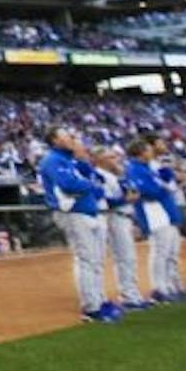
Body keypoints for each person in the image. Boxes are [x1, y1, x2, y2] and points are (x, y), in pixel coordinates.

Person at [39, 126, 116, 322]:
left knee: (96, 260)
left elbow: (81, 184)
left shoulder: (69, 160)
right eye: (66, 135)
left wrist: (87, 182)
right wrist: (91, 184)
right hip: (72, 213)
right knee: (86, 260)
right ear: (55, 140)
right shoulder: (53, 160)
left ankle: (100, 299)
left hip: (86, 212)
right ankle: (91, 307)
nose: (72, 138)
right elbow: (69, 185)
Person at [126, 137, 186, 304]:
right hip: (153, 214)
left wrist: (164, 184)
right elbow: (149, 191)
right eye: (147, 149)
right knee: (160, 253)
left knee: (169, 253)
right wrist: (164, 186)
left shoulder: (146, 168)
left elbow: (160, 187)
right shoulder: (135, 168)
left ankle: (170, 287)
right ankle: (159, 289)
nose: (151, 152)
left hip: (164, 212)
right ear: (140, 153)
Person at [94, 147, 149, 311]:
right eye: (111, 157)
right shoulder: (99, 175)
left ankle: (132, 295)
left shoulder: (115, 175)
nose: (116, 159)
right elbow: (105, 201)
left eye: (115, 156)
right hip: (114, 217)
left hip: (123, 217)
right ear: (100, 160)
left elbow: (130, 192)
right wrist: (125, 199)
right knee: (124, 258)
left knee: (128, 258)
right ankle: (128, 297)